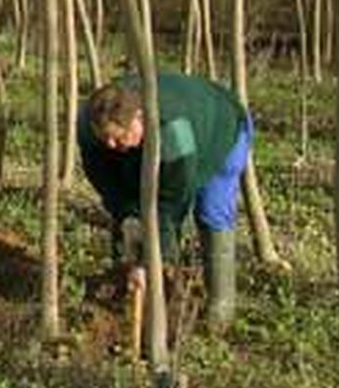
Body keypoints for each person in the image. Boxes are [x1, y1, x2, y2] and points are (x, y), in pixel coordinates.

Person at [77, 74, 253, 332]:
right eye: (106, 139)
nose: (111, 145)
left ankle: (220, 309)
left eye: (118, 137)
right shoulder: (90, 126)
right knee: (129, 210)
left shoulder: (174, 133)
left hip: (221, 125)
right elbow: (110, 187)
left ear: (139, 118)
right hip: (166, 134)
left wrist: (151, 261)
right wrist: (128, 219)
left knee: (211, 210)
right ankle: (126, 300)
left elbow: (170, 205)